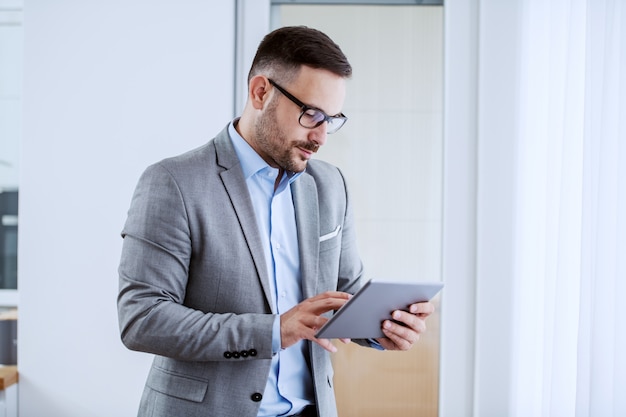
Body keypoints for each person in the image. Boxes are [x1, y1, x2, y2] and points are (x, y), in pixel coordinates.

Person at [117, 25, 434, 417]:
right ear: (261, 92)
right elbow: (143, 317)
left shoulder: (329, 184)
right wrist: (273, 330)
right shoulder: (174, 182)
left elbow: (344, 293)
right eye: (311, 114)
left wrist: (385, 326)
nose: (321, 136)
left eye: (332, 119)